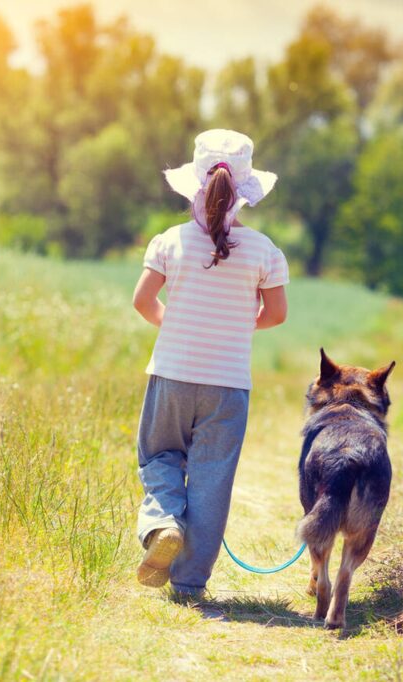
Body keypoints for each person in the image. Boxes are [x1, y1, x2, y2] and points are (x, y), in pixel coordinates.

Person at [131, 129, 289, 597]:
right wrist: (238, 326)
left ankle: (162, 525)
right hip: (228, 385)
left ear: (194, 184)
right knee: (212, 478)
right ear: (245, 192)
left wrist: (176, 325)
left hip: (172, 375)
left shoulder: (170, 240)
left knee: (159, 456)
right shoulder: (264, 250)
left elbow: (143, 301)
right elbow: (276, 314)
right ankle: (189, 581)